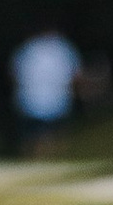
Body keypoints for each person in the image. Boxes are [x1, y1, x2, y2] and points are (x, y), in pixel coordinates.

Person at [12, 27, 80, 155]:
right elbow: (75, 74)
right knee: (51, 134)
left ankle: (41, 156)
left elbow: (15, 74)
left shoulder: (28, 48)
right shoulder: (62, 48)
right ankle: (51, 156)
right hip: (53, 99)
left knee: (37, 135)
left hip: (33, 100)